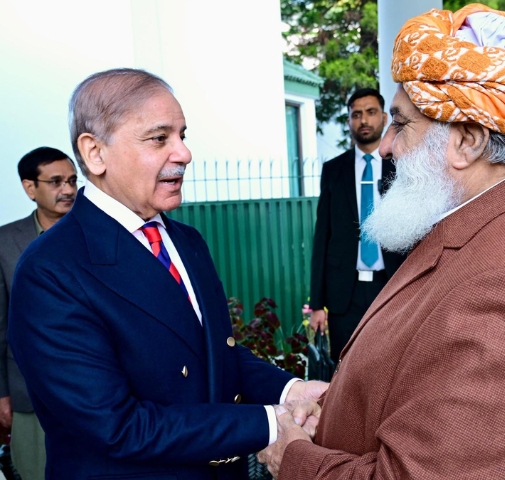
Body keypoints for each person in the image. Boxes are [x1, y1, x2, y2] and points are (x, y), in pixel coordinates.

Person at [258, 5, 505, 479]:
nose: (385, 146)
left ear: (467, 140)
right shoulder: (479, 234)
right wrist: (338, 410)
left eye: (400, 124)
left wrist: (294, 459)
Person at [7, 68, 326, 480]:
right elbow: (116, 427)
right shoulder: (50, 270)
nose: (184, 153)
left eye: (182, 135)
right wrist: (271, 422)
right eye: (159, 138)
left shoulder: (187, 241)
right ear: (95, 153)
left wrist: (292, 390)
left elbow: (210, 354)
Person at [309, 88, 405, 364]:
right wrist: (317, 305)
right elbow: (322, 237)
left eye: (371, 112)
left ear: (385, 117)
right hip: (344, 297)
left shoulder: (401, 166)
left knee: (390, 364)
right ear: (349, 120)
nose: (364, 120)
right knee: (346, 369)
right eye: (356, 114)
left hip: (390, 285)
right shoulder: (333, 170)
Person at [0, 146, 77, 480]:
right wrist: (1, 392)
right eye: (56, 181)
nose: (69, 190)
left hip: (98, 388)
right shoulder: (5, 243)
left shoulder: (96, 234)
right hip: (29, 392)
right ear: (30, 187)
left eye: (73, 181)